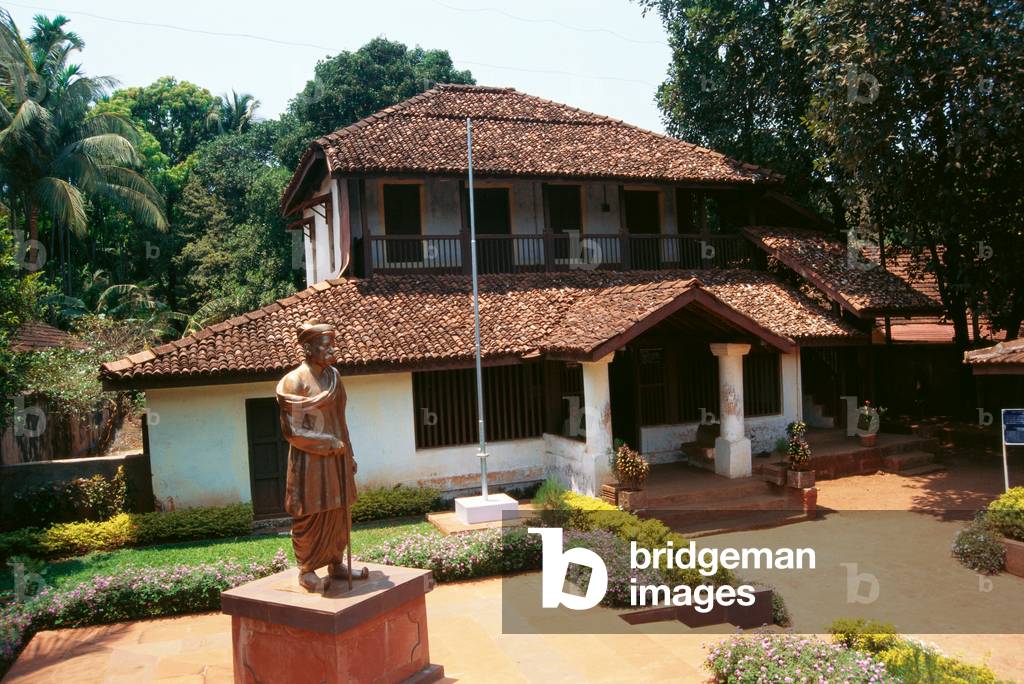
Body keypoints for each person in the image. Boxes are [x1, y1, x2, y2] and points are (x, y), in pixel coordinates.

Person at [276, 320, 367, 592]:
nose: (332, 350)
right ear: (307, 348)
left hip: (337, 456)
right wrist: (327, 442)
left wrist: (348, 452)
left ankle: (336, 563)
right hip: (309, 461)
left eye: (333, 344)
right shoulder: (294, 382)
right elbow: (292, 430)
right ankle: (306, 570)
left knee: (340, 511)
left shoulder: (334, 378)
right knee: (311, 513)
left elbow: (340, 420)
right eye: (325, 346)